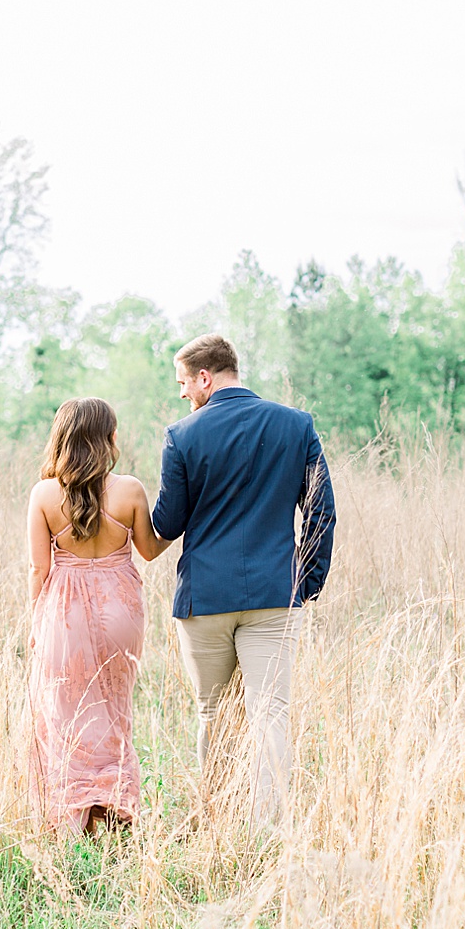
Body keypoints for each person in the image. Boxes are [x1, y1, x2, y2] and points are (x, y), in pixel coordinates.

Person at [151, 334, 336, 829]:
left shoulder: (182, 436)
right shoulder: (296, 426)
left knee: (213, 713)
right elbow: (321, 511)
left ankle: (217, 820)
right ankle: (266, 828)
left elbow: (167, 525)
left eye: (184, 383)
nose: (183, 394)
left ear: (205, 377)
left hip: (205, 600)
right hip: (276, 594)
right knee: (271, 712)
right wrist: (306, 582)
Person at [25, 397, 171, 835]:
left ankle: (73, 818)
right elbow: (148, 549)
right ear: (108, 437)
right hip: (120, 613)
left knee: (63, 714)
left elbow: (38, 568)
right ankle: (113, 815)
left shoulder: (45, 494)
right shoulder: (129, 490)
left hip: (62, 615)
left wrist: (35, 623)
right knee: (113, 710)